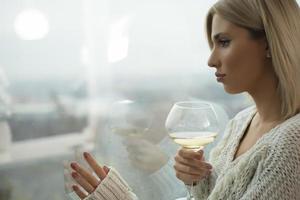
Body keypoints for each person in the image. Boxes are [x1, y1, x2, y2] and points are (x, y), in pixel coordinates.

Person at [68, 0, 300, 199]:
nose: (211, 60)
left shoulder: (291, 145)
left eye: (224, 42)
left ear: (269, 43)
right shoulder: (240, 123)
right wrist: (199, 182)